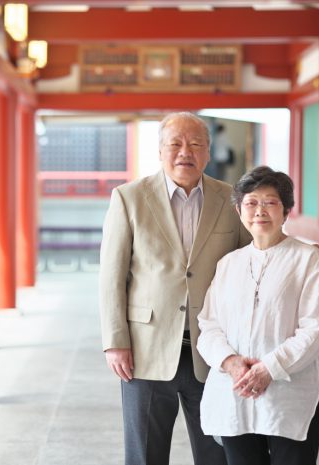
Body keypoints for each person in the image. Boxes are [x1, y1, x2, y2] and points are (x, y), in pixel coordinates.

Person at [99, 112, 251, 465]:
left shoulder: (230, 200)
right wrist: (115, 342)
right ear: (160, 150)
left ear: (208, 152)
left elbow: (255, 253)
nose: (186, 152)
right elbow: (112, 276)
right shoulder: (129, 198)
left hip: (213, 351)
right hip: (145, 349)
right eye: (176, 144)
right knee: (145, 454)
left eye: (196, 144)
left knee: (217, 452)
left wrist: (305, 253)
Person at [196, 166, 319, 465]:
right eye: (251, 203)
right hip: (236, 393)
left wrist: (269, 368)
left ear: (286, 211)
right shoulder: (228, 263)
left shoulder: (307, 258)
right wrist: (231, 363)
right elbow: (209, 324)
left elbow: (315, 328)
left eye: (270, 202)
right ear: (239, 210)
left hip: (289, 395)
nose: (260, 210)